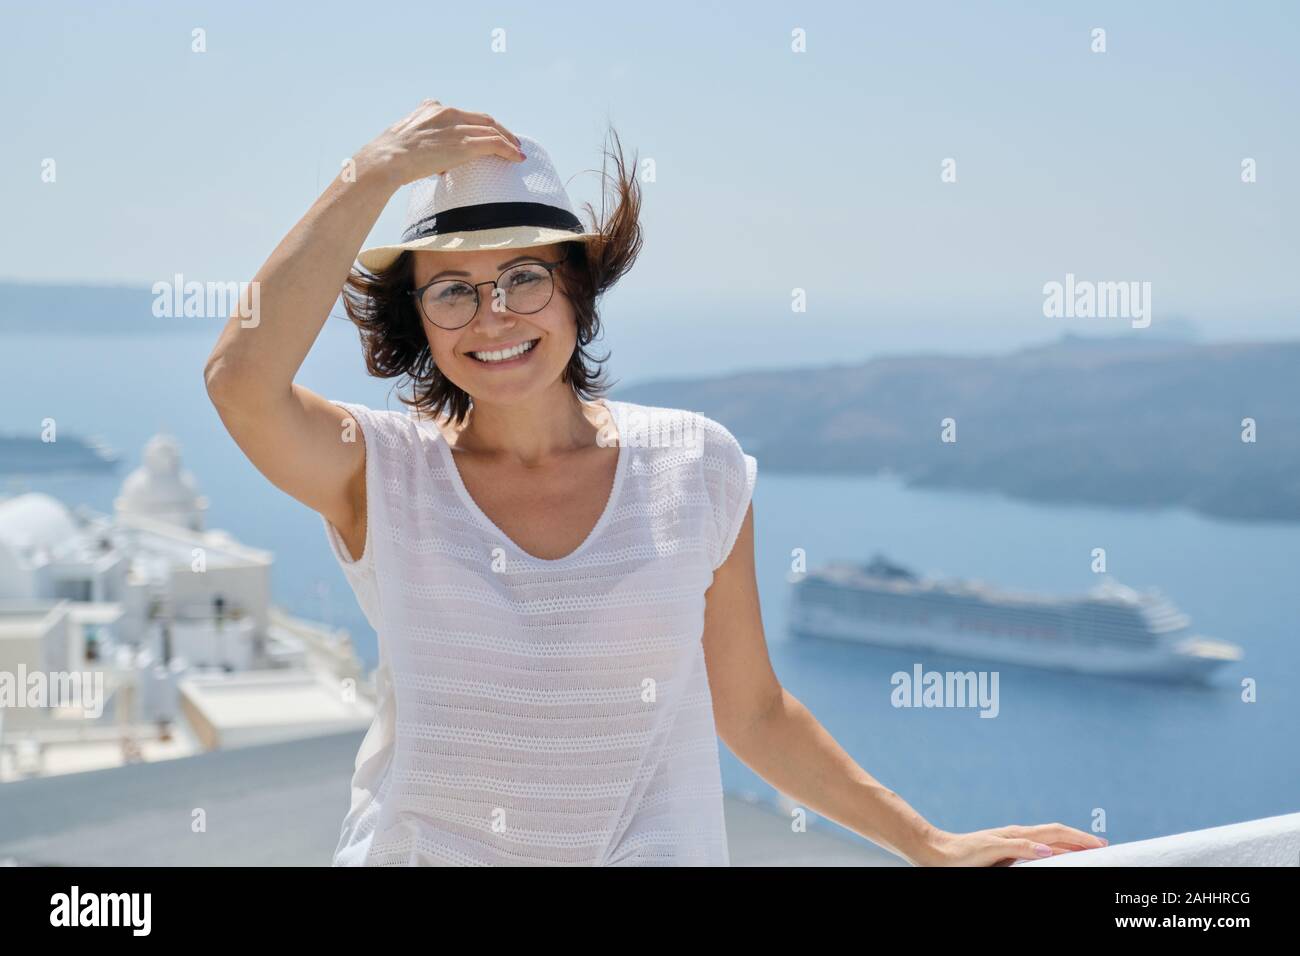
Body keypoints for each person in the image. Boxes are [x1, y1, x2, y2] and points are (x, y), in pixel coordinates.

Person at [203, 100, 1107, 866]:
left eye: (525, 277)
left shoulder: (696, 465)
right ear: (421, 320)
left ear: (577, 291)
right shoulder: (384, 473)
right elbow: (239, 381)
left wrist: (927, 843)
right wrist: (372, 172)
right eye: (454, 291)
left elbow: (752, 710)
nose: (496, 315)